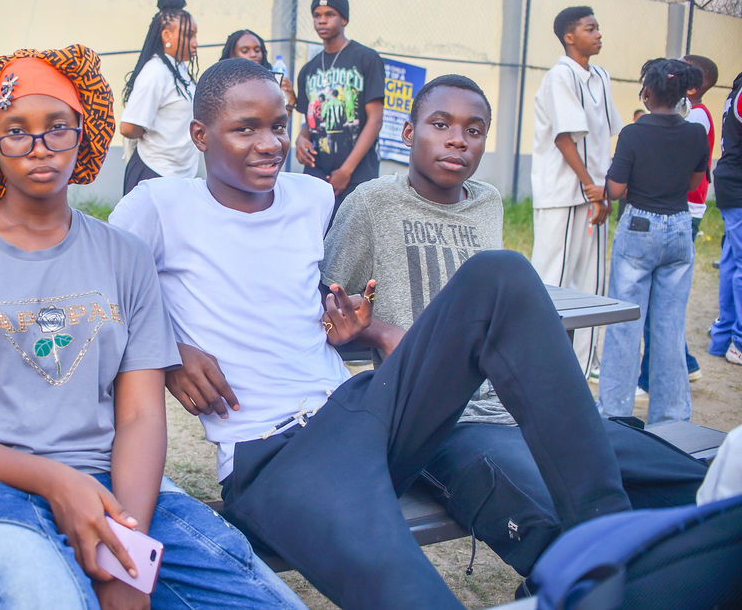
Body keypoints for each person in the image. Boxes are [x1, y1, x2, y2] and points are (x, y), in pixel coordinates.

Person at [111, 58, 631, 609]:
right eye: (246, 128)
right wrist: (168, 354)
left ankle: (609, 538)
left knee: (500, 273)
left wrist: (372, 328)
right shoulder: (159, 205)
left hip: (361, 410)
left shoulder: (311, 198)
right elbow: (95, 296)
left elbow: (294, 294)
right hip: (275, 454)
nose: (270, 144)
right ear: (200, 135)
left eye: (279, 126)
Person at [0, 47, 305, 609]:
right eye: (16, 130)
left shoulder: (124, 256)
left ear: (84, 133)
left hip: (117, 487)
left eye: (57, 127)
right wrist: (54, 481)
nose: (39, 146)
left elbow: (139, 417)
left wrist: (125, 553)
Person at [321, 74, 707, 577]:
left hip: (521, 407)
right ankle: (599, 583)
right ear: (409, 132)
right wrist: (381, 331)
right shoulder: (372, 202)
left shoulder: (487, 203)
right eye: (441, 125)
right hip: (444, 422)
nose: (458, 140)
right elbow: (323, 300)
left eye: (474, 130)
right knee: (550, 521)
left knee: (690, 482)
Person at [598, 59, 709, 424]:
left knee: (625, 324)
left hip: (639, 229)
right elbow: (694, 183)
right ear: (683, 96)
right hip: (679, 228)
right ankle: (672, 418)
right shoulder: (696, 133)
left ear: (646, 94)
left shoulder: (633, 134)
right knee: (669, 327)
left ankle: (614, 414)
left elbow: (616, 190)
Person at [530, 5, 623, 377]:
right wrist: (591, 187)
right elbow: (564, 138)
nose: (598, 34)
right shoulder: (560, 75)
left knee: (592, 283)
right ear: (570, 37)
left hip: (594, 192)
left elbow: (605, 137)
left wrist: (603, 191)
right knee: (553, 280)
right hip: (564, 194)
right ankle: (539, 362)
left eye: (598, 27)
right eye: (590, 28)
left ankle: (586, 364)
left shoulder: (600, 75)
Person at [638, 54, 719, 391]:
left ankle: (651, 378)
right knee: (663, 298)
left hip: (679, 210)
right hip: (677, 208)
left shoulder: (695, 118)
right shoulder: (692, 115)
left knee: (659, 300)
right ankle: (686, 363)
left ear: (692, 86)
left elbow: (681, 165)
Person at [294, 0, 384, 215]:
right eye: (317, 15)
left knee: (353, 236)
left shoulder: (366, 59)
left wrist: (346, 171)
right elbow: (310, 122)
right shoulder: (308, 70)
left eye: (329, 14)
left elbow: (375, 120)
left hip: (357, 174)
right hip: (317, 172)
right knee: (317, 235)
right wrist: (301, 139)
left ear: (344, 19)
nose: (322, 21)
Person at [120, 0, 200, 194]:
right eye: (189, 35)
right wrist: (157, 138)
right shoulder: (155, 72)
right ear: (167, 36)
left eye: (195, 36)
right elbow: (129, 127)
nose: (195, 43)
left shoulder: (179, 70)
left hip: (179, 176)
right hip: (154, 174)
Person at [710, 70, 742, 366]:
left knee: (733, 261)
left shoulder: (737, 91)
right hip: (737, 184)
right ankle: (739, 341)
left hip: (732, 182)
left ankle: (723, 338)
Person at [218, 29, 296, 112]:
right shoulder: (221, 84)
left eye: (257, 50)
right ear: (231, 55)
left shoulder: (268, 82)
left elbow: (279, 118)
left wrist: (290, 99)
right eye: (245, 51)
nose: (253, 54)